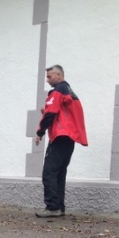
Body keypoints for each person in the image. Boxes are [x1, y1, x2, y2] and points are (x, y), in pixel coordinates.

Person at [34, 65, 88, 218]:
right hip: (70, 137)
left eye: (49, 77)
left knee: (49, 172)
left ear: (59, 75)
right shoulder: (69, 91)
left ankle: (52, 207)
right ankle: (59, 207)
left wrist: (40, 132)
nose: (47, 80)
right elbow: (63, 114)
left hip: (60, 136)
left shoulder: (58, 91)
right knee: (59, 173)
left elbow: (51, 113)